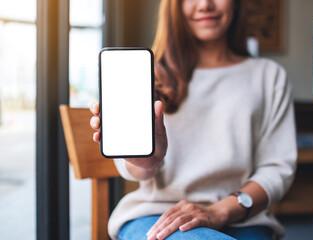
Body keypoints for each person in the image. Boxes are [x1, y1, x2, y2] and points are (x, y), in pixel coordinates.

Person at [90, 0, 297, 239]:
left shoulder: (269, 77)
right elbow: (134, 168)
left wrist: (220, 211)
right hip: (158, 215)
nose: (205, 5)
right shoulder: (149, 74)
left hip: (242, 219)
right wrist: (145, 161)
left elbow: (277, 168)